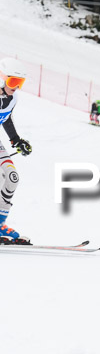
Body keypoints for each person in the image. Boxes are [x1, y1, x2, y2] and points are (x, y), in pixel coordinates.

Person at [0, 58, 33, 240]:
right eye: (13, 82)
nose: (16, 87)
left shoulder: (12, 98)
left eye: (20, 83)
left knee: (12, 178)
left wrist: (16, 140)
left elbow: (5, 118)